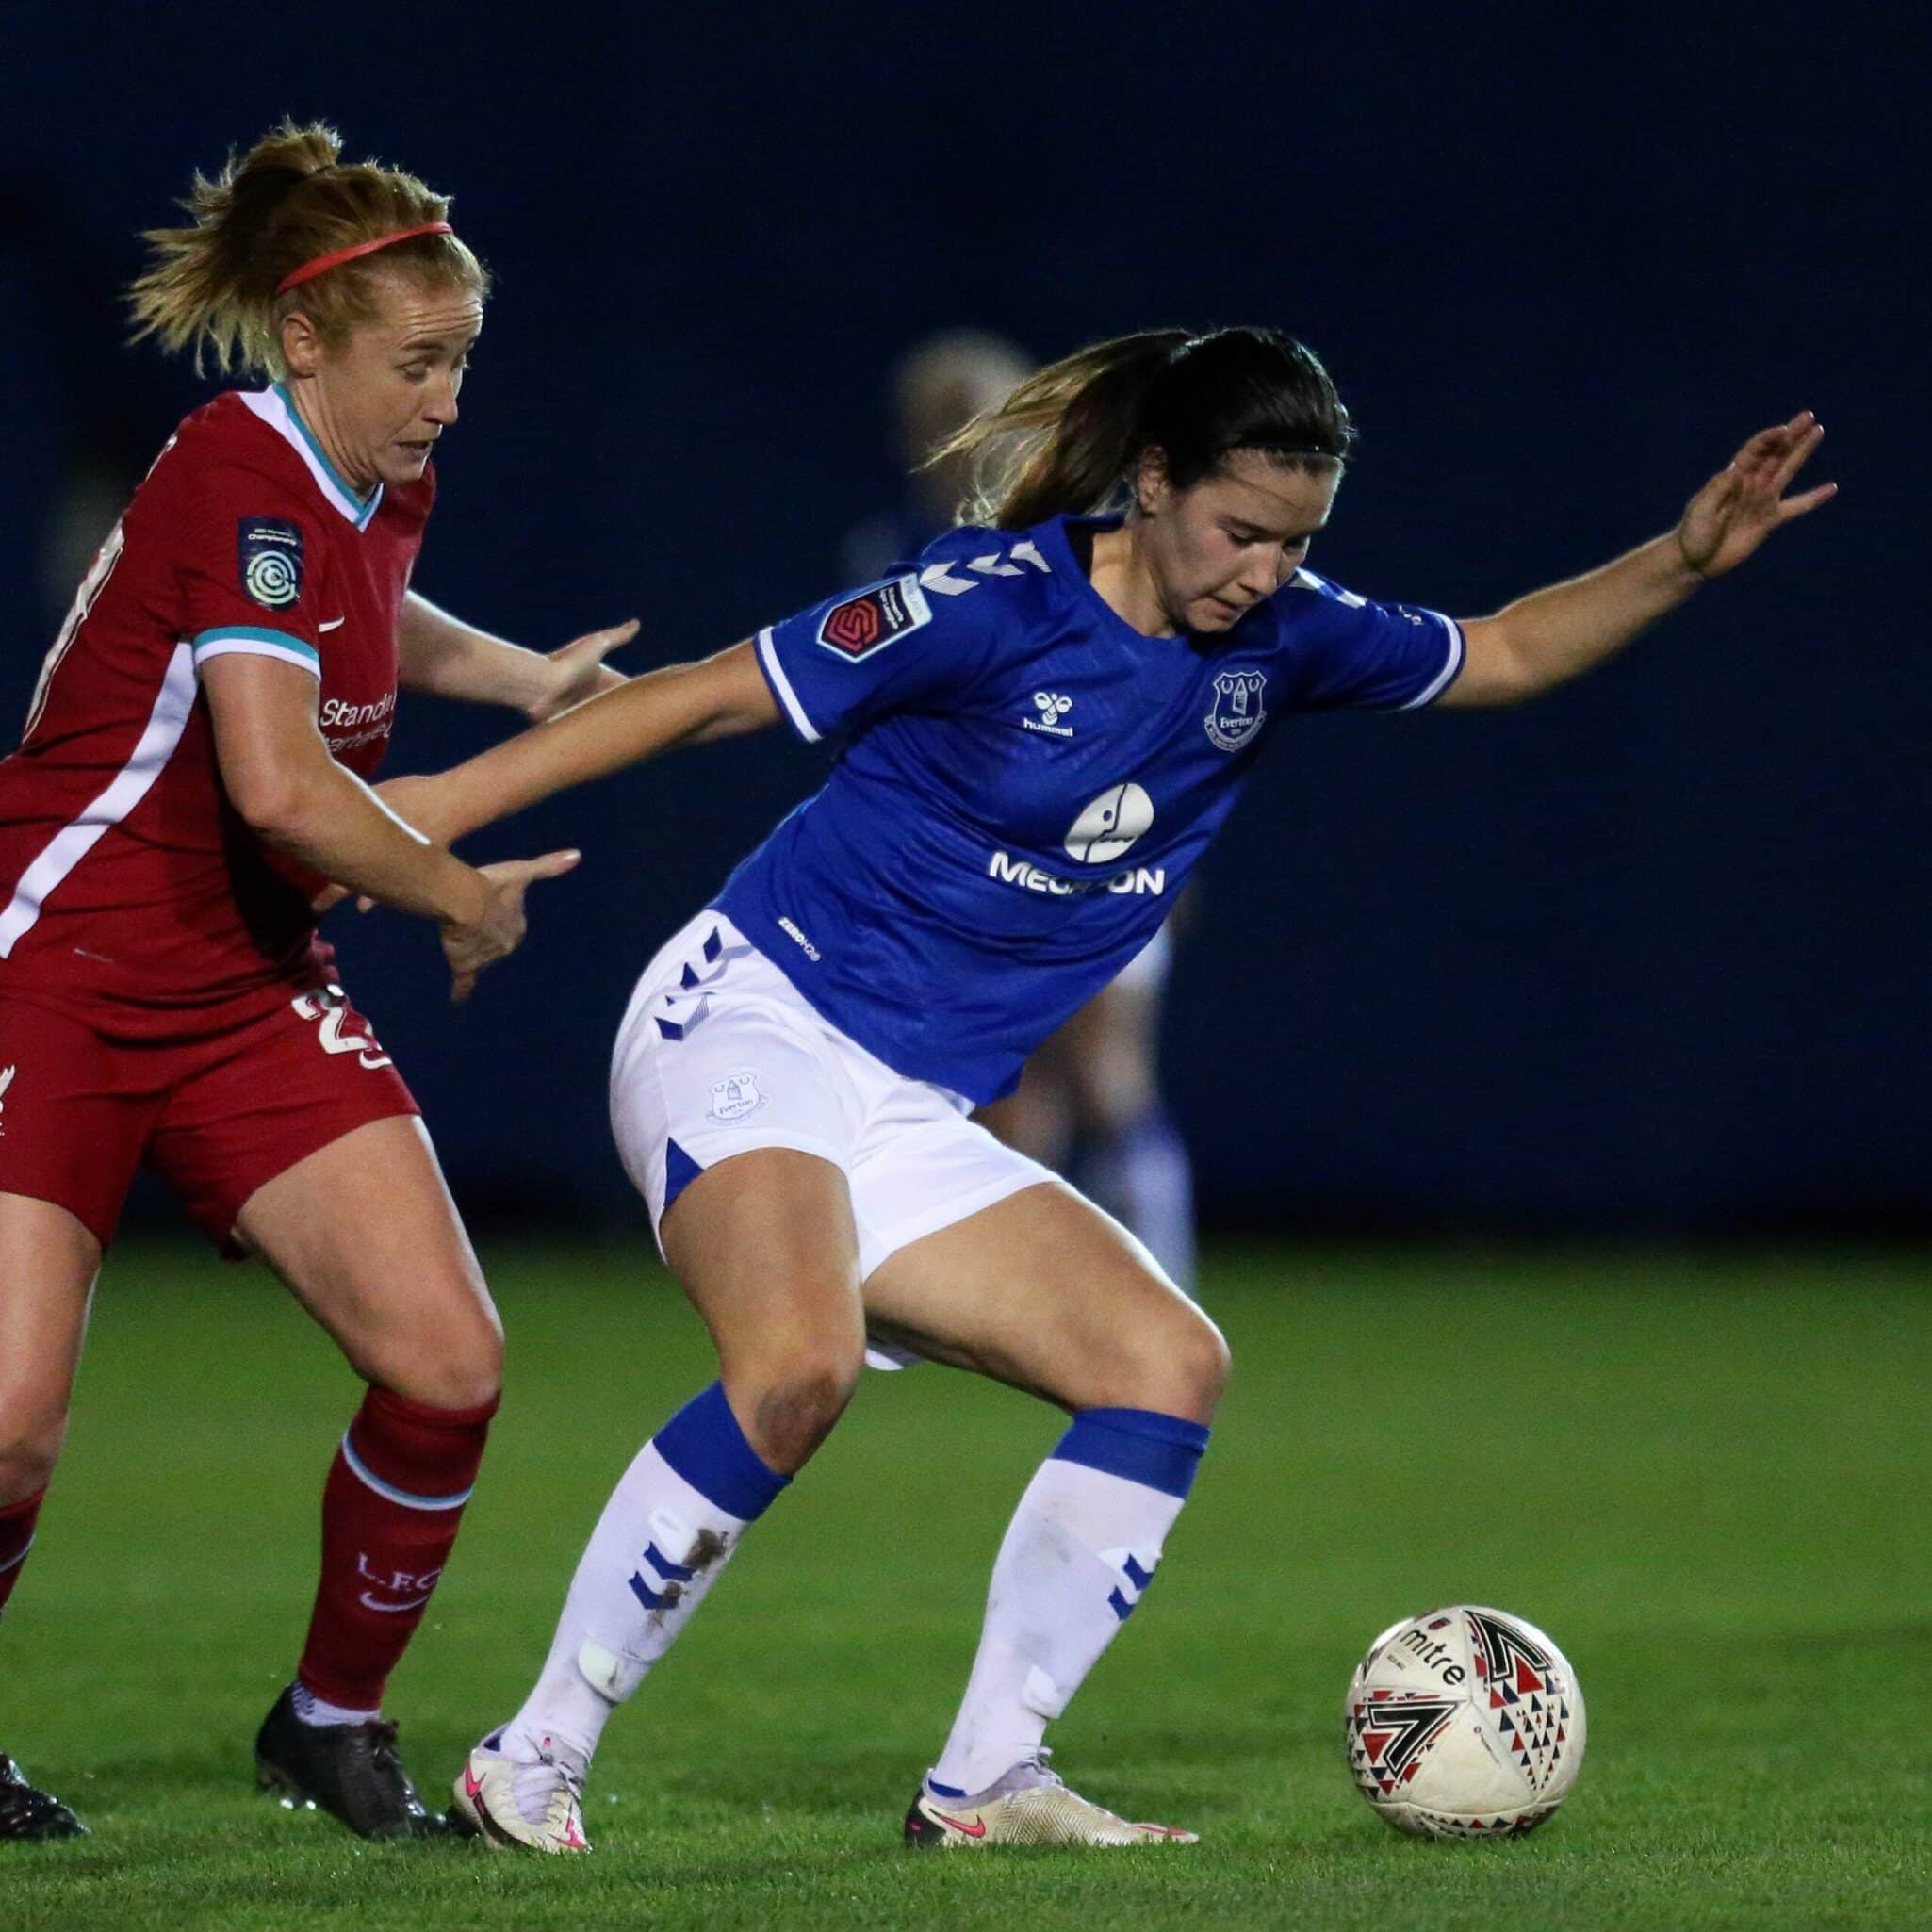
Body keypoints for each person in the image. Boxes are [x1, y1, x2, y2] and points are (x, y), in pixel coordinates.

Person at [381, 326, 1830, 1853]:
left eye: (1297, 541)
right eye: (1241, 529)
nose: (1266, 571)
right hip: (753, 1020)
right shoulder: (988, 605)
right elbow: (701, 697)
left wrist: (1681, 557)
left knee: (1164, 1362)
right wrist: (434, 812)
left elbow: (1508, 651)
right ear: (1150, 482)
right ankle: (532, 1757)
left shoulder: (1285, 637)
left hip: (908, 1109)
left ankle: (988, 1780)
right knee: (795, 1365)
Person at [0, 121, 632, 1842]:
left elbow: (367, 608)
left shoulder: (368, 476)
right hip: (52, 969)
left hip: (242, 979)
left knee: (446, 1362)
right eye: (417, 363)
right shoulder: (234, 465)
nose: (446, 400)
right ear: (304, 339)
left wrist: (522, 679)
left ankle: (328, 1720)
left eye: (462, 362)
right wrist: (457, 895)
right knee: (10, 1430)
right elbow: (280, 786)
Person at [852, 329, 1199, 1289]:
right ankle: (1038, 1299)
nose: (960, 439)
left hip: (1098, 844)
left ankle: (1163, 1288)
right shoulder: (895, 558)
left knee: (1106, 1075)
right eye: (938, 420)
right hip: (971, 861)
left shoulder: (1095, 545)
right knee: (1006, 1093)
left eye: (977, 415)